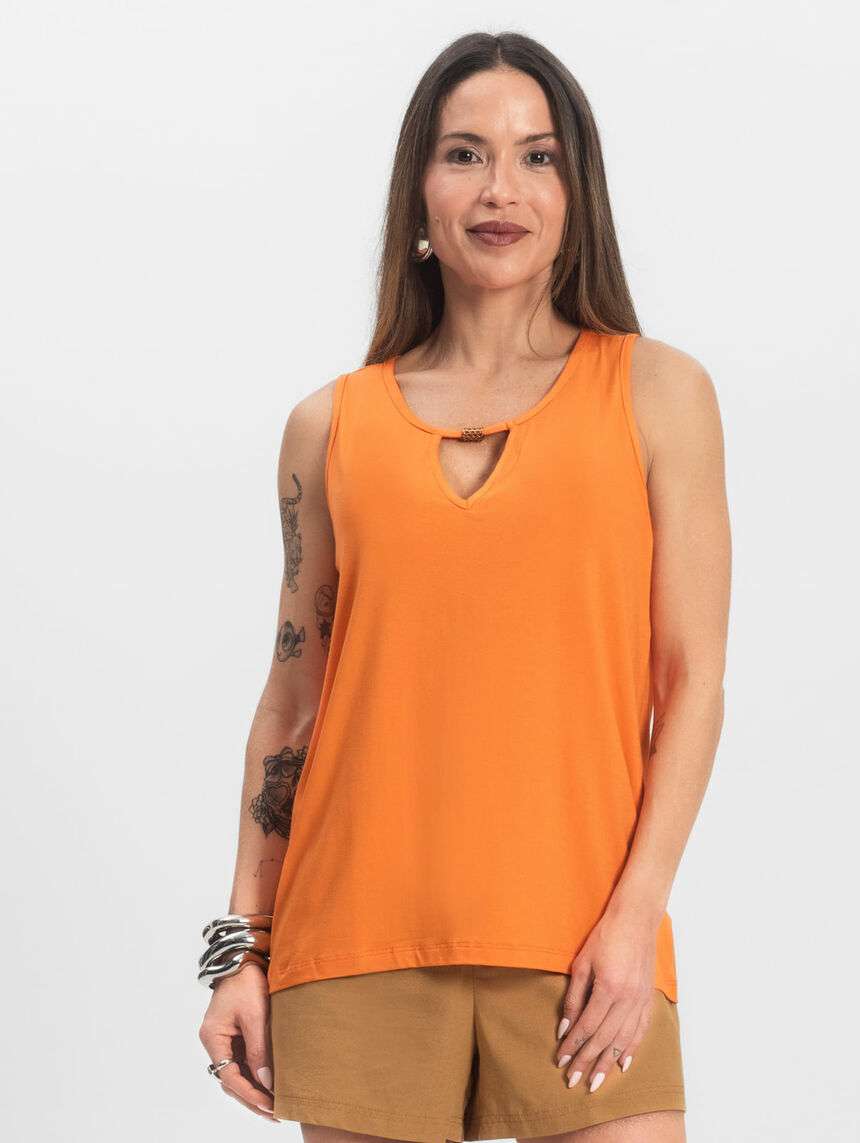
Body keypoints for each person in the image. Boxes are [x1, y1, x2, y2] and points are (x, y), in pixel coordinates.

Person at [198, 30, 730, 1143]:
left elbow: (690, 684)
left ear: (577, 194)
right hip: (352, 943)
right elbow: (290, 706)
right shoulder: (328, 427)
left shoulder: (657, 395)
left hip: (583, 948)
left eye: (538, 157)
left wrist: (635, 919)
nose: (500, 189)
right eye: (464, 154)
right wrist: (240, 949)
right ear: (418, 192)